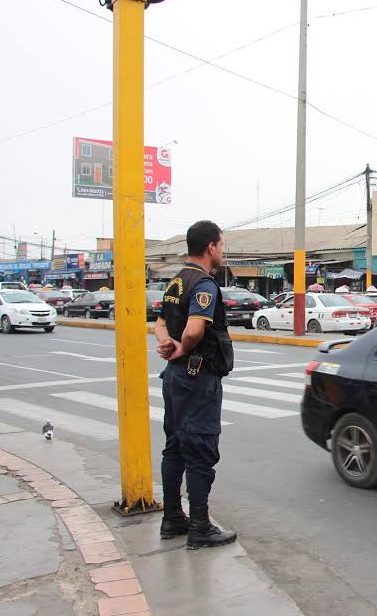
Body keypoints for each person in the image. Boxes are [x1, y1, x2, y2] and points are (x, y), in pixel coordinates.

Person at [154, 220, 237, 550]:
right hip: (196, 377)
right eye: (222, 245)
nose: (223, 251)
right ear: (211, 247)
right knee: (200, 447)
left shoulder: (176, 280)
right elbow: (193, 331)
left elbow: (159, 323)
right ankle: (200, 526)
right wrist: (182, 347)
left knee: (174, 447)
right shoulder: (204, 284)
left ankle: (172, 517)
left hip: (175, 377)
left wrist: (167, 346)